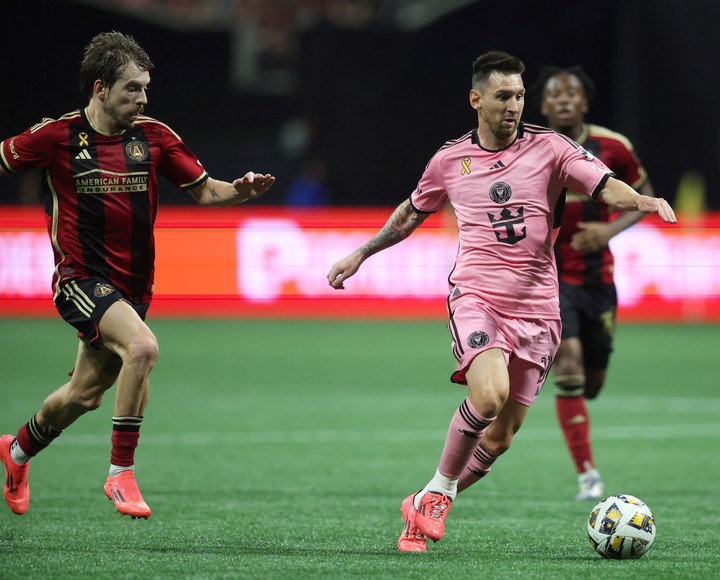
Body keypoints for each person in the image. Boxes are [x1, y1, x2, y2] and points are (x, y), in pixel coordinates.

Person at [326, 51, 675, 552]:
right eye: (503, 96)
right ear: (476, 99)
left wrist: (641, 201)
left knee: (500, 438)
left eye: (519, 96)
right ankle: (441, 495)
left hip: (539, 309)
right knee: (487, 397)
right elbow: (410, 212)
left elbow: (603, 185)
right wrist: (362, 252)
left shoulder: (551, 148)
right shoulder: (450, 160)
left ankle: (421, 504)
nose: (514, 105)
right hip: (478, 296)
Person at [0, 31, 275, 519]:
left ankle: (16, 452)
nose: (143, 98)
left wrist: (241, 190)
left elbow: (206, 192)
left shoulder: (154, 136)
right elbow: (4, 157)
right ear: (101, 88)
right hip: (80, 279)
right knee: (143, 347)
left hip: (134, 285)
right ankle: (119, 474)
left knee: (84, 395)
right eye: (132, 88)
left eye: (146, 88)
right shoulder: (56, 136)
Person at [537, 65, 656, 500]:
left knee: (592, 384)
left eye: (572, 93)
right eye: (555, 93)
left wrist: (606, 231)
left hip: (598, 281)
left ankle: (579, 429)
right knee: (567, 361)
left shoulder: (613, 147)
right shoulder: (530, 149)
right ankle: (588, 475)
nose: (564, 99)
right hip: (549, 278)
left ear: (584, 103)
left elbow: (642, 198)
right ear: (544, 105)